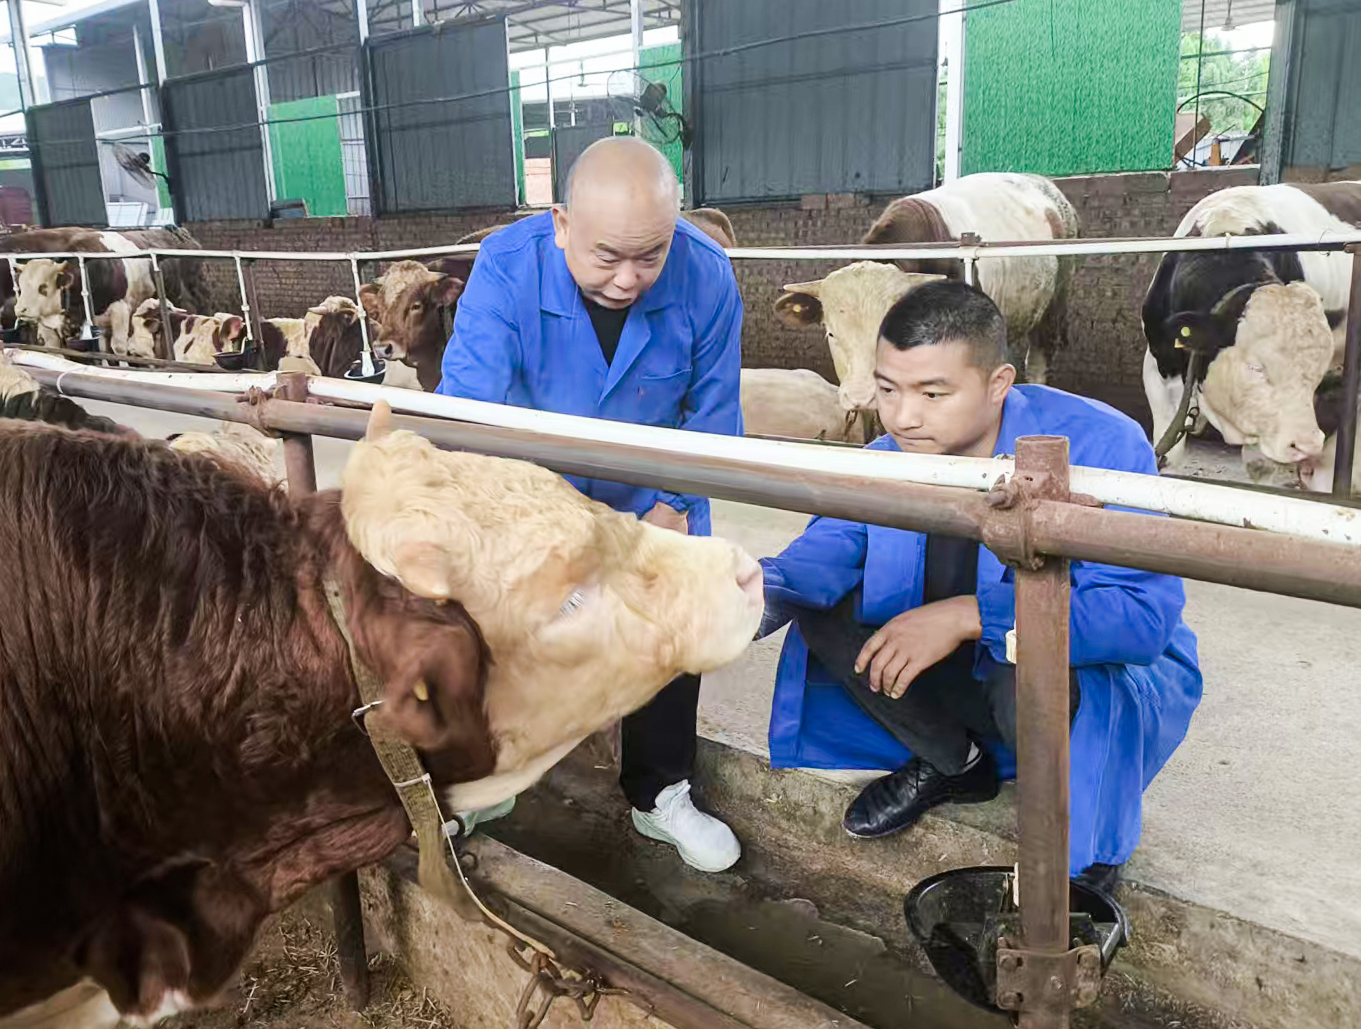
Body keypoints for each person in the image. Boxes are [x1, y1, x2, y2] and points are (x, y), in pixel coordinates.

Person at [757, 281, 1203, 889]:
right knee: (820, 605)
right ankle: (954, 762)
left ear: (999, 384)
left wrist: (971, 615)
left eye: (932, 393)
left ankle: (1086, 850)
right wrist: (747, 591)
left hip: (1058, 682)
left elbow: (1142, 618)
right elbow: (827, 548)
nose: (902, 415)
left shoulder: (1103, 444)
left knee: (1036, 658)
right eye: (888, 388)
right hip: (958, 673)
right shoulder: (892, 452)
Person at [437, 136, 745, 873]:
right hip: (534, 490)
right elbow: (466, 416)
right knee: (500, 622)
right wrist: (545, 524)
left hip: (655, 495)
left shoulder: (706, 276)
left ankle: (660, 790)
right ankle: (491, 780)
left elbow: (714, 418)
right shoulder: (506, 269)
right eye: (608, 256)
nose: (631, 278)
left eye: (651, 255)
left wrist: (671, 510)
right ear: (562, 224)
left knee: (673, 611)